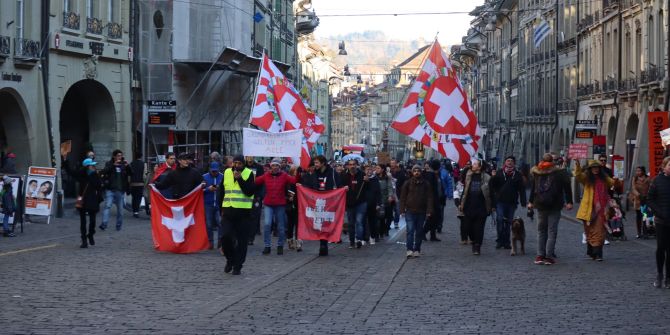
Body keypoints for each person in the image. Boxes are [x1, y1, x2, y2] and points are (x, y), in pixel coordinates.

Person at [527, 153, 573, 265]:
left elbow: (533, 188)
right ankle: (548, 256)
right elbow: (567, 187)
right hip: (555, 204)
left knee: (541, 230)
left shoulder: (537, 171)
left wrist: (531, 201)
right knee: (552, 231)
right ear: (553, 161)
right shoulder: (560, 172)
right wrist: (569, 202)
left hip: (540, 204)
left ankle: (539, 255)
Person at [574, 159, 619, 261]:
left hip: (601, 209)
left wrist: (616, 181)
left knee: (599, 231)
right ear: (590, 169)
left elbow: (613, 183)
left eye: (597, 167)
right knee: (589, 231)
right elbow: (578, 176)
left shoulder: (604, 178)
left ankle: (598, 253)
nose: (595, 169)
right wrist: (577, 165)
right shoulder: (586, 178)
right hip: (588, 209)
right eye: (593, 168)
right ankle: (591, 251)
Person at [217, 155, 256, 275]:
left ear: (243, 164)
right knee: (225, 237)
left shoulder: (249, 173)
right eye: (235, 163)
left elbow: (249, 192)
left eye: (239, 163)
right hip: (228, 212)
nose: (237, 166)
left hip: (243, 213)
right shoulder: (227, 172)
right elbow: (221, 191)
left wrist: (239, 179)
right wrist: (220, 208)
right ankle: (230, 260)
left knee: (242, 242)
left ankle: (238, 266)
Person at [254, 158, 297, 255]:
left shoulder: (284, 175)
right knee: (267, 224)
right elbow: (256, 181)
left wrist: (298, 171)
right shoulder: (266, 175)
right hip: (268, 204)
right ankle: (267, 246)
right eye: (273, 165)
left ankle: (280, 245)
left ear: (280, 166)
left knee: (281, 227)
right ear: (271, 166)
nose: (275, 167)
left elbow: (294, 181)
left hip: (280, 204)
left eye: (277, 165)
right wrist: (250, 175)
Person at [302, 155, 342, 256]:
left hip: (330, 202)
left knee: (327, 222)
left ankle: (327, 241)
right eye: (314, 163)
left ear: (323, 163)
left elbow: (339, 185)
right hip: (318, 202)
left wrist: (343, 189)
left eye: (316, 163)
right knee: (319, 223)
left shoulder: (332, 173)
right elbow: (308, 185)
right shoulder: (314, 174)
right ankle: (322, 243)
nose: (315, 165)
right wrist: (301, 187)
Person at [490, 155, 527, 249]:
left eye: (511, 161)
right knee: (499, 219)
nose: (509, 162)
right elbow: (492, 186)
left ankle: (506, 241)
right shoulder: (499, 173)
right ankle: (499, 240)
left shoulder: (517, 174)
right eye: (508, 161)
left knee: (509, 222)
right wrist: (493, 177)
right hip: (500, 201)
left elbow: (522, 189)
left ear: (514, 163)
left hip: (512, 202)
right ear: (505, 162)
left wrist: (523, 201)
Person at [458, 159, 492, 255]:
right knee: (467, 227)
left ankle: (477, 246)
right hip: (469, 206)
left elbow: (491, 192)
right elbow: (465, 190)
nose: (473, 165)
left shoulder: (487, 177)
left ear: (480, 166)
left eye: (475, 164)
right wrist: (461, 203)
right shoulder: (469, 175)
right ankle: (473, 240)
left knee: (479, 228)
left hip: (481, 207)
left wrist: (492, 206)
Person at [400, 164, 434, 258]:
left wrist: (429, 210)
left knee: (419, 231)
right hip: (410, 210)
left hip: (421, 211)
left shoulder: (426, 184)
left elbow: (429, 198)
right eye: (415, 171)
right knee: (410, 230)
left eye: (418, 171)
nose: (416, 173)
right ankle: (409, 249)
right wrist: (402, 209)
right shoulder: (407, 183)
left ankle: (417, 249)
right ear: (412, 172)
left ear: (420, 172)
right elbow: (403, 197)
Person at [647, 157, 670, 288]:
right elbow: (650, 199)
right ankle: (660, 274)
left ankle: (668, 277)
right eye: (669, 165)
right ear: (664, 167)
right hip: (661, 221)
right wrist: (659, 212)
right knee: (661, 248)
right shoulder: (657, 181)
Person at [72, 158, 103, 248]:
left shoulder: (95, 175)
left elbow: (99, 186)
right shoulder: (81, 175)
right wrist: (65, 160)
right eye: (92, 165)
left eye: (94, 165)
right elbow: (71, 172)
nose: (94, 167)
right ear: (87, 166)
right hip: (83, 200)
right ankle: (84, 240)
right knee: (83, 222)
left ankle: (90, 234)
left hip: (93, 200)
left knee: (93, 221)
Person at [100, 150, 131, 231]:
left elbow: (131, 173)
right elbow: (103, 172)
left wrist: (128, 166)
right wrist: (113, 165)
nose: (119, 157)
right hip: (110, 189)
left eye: (120, 155)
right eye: (118, 155)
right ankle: (104, 224)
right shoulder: (109, 164)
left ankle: (118, 225)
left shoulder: (123, 165)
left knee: (120, 210)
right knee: (107, 206)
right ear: (114, 156)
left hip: (120, 191)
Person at [341, 159, 368, 249]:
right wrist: (343, 188)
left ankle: (359, 239)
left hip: (360, 202)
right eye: (350, 164)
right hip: (349, 203)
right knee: (351, 223)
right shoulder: (344, 175)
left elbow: (368, 188)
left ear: (357, 165)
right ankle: (352, 241)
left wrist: (367, 181)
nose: (352, 166)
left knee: (359, 222)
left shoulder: (362, 175)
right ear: (348, 166)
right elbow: (339, 187)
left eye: (354, 164)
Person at [203, 162, 223, 250]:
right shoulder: (204, 177)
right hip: (208, 204)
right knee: (209, 224)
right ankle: (210, 242)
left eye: (216, 171)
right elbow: (199, 189)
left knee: (220, 223)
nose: (214, 173)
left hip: (219, 204)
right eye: (213, 171)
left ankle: (220, 241)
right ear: (209, 169)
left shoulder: (222, 176)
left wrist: (220, 188)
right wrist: (208, 189)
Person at [245, 156, 265, 245]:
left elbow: (262, 182)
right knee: (245, 217)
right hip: (244, 196)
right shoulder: (242, 166)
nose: (249, 158)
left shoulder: (259, 168)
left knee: (254, 217)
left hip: (255, 196)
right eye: (248, 156)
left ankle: (250, 238)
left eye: (251, 156)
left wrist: (260, 196)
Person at [423, 160, 444, 242]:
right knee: (432, 218)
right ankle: (423, 232)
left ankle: (433, 235)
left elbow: (439, 187)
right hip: (432, 200)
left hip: (438, 199)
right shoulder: (430, 175)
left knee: (436, 218)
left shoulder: (436, 174)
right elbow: (430, 189)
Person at [629, 166, 651, 238]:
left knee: (645, 215)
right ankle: (639, 232)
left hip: (645, 199)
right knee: (638, 216)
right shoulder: (635, 178)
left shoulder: (648, 179)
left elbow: (650, 187)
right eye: (637, 171)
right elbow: (633, 188)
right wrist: (638, 194)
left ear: (643, 171)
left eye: (639, 171)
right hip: (638, 200)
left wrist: (648, 196)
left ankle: (645, 232)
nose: (638, 172)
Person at [363, 164, 382, 245]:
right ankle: (364, 238)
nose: (368, 171)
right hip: (363, 203)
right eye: (367, 170)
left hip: (372, 203)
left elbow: (378, 192)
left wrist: (378, 203)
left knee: (372, 221)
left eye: (370, 169)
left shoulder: (375, 179)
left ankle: (372, 237)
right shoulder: (362, 179)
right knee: (362, 221)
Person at [375, 165, 395, 239]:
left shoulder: (387, 178)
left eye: (378, 168)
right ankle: (382, 231)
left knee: (389, 216)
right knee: (381, 217)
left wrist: (390, 196)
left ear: (382, 169)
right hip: (379, 200)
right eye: (376, 168)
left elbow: (390, 187)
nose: (376, 169)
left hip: (387, 200)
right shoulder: (375, 177)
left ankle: (387, 229)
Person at [285, 166, 302, 252]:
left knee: (298, 224)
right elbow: (284, 192)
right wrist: (288, 198)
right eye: (294, 171)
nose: (296, 172)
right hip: (290, 206)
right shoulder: (288, 181)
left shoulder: (301, 181)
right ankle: (290, 241)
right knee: (290, 224)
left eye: (297, 171)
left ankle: (298, 242)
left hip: (299, 206)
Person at [390, 159, 406, 230]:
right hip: (390, 193)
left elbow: (402, 183)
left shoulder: (401, 172)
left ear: (396, 164)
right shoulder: (389, 171)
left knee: (397, 209)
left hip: (398, 193)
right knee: (389, 209)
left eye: (393, 163)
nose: (392, 165)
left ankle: (396, 222)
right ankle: (389, 221)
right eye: (391, 163)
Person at [129, 153, 145, 218]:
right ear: (141, 156)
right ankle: (136, 211)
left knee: (134, 197)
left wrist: (129, 183)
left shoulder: (131, 164)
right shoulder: (143, 164)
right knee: (138, 198)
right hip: (140, 183)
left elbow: (129, 174)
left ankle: (134, 210)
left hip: (133, 183)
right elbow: (144, 175)